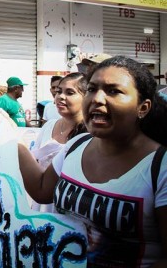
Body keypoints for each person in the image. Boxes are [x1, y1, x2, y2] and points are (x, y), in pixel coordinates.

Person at [19, 56, 167, 267]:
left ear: (142, 108)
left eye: (113, 91)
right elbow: (42, 190)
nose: (97, 98)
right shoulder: (76, 145)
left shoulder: (161, 167)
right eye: (91, 89)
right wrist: (9, 139)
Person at [29, 72, 87, 212]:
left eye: (70, 92)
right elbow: (34, 161)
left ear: (86, 98)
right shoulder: (49, 125)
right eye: (59, 91)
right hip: (41, 206)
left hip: (68, 208)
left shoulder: (89, 134)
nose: (60, 96)